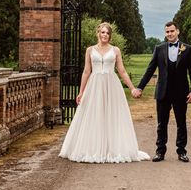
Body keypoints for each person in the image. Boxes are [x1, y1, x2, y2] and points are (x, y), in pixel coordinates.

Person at [59, 22, 150, 163]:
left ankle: (111, 149)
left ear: (110, 35)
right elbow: (86, 71)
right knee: (94, 115)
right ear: (98, 33)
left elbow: (122, 71)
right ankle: (93, 148)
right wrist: (81, 92)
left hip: (111, 85)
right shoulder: (90, 50)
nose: (105, 35)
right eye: (102, 32)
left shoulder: (115, 50)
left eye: (107, 33)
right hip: (94, 86)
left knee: (111, 115)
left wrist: (132, 88)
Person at [133, 21, 191, 162]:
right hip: (163, 92)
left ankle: (182, 152)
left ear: (178, 31)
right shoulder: (159, 48)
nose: (169, 34)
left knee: (181, 122)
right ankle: (160, 151)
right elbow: (150, 70)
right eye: (167, 32)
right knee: (162, 123)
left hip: (181, 92)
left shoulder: (187, 49)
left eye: (172, 31)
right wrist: (140, 87)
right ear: (165, 33)